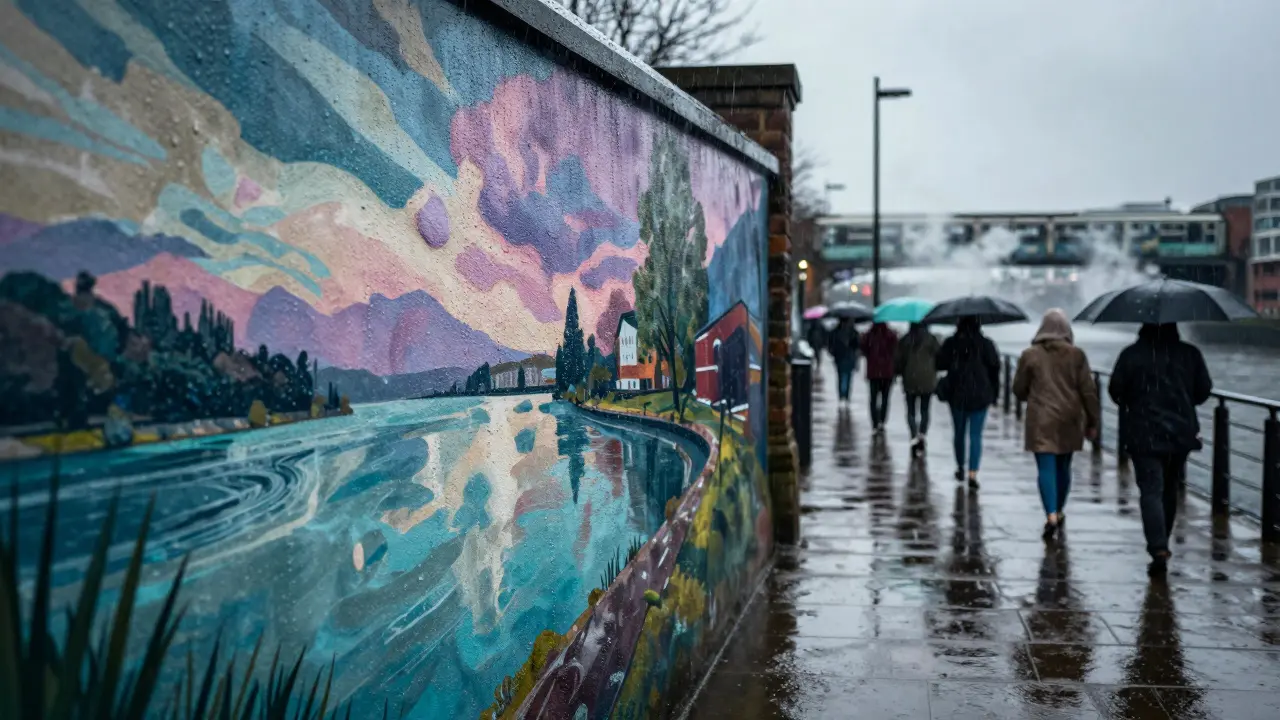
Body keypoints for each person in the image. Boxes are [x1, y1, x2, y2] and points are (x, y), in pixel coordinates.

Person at [1107, 323, 1212, 576]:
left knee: (1151, 489)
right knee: (1170, 487)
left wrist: (1136, 401)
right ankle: (1163, 539)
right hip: (1180, 432)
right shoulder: (1190, 353)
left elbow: (1115, 390)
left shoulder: (1132, 354)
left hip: (1143, 432)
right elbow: (1203, 390)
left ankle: (1158, 548)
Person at [1012, 309, 1101, 541]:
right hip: (1070, 418)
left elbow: (1019, 390)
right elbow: (1088, 391)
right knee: (1064, 467)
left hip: (1041, 418)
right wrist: (1093, 421)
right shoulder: (1077, 355)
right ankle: (1059, 510)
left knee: (1045, 468)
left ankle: (1050, 514)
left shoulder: (1030, 355)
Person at [936, 315, 1001, 489]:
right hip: (980, 393)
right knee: (975, 435)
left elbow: (940, 364)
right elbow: (995, 368)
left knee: (959, 432)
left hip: (957, 393)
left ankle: (960, 466)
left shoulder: (952, 342)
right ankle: (973, 472)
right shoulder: (986, 344)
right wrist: (994, 393)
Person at [894, 322, 941, 455]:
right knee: (925, 410)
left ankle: (913, 435)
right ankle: (922, 434)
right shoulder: (931, 339)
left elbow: (898, 359)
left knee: (910, 410)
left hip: (910, 378)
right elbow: (940, 357)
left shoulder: (905, 340)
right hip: (927, 379)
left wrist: (898, 372)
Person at [860, 322, 899, 432]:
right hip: (887, 372)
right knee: (885, 398)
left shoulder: (869, 335)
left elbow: (863, 350)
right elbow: (895, 352)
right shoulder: (891, 335)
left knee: (873, 398)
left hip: (873, 372)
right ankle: (882, 419)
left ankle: (875, 422)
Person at [828, 318, 860, 403]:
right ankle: (844, 395)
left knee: (842, 376)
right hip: (845, 357)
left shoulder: (836, 332)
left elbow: (830, 345)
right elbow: (857, 346)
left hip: (842, 357)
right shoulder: (853, 332)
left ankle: (843, 394)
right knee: (846, 376)